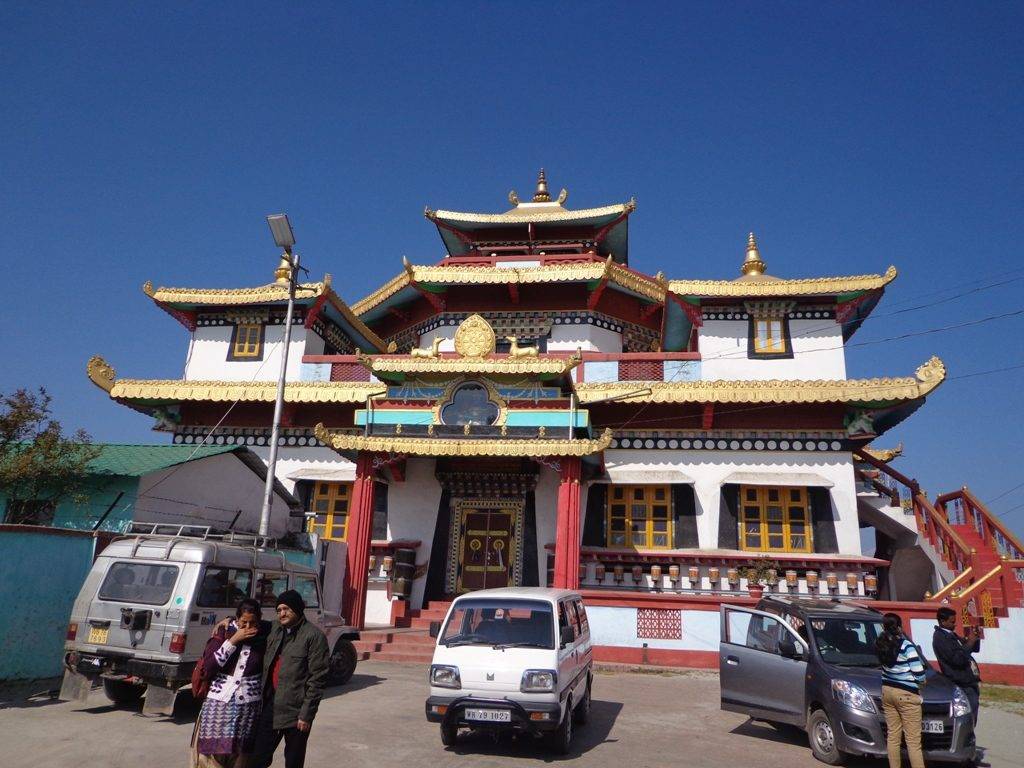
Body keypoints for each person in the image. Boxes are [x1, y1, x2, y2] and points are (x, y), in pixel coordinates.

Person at [250, 590, 329, 768]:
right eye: (278, 610)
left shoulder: (313, 637)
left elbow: (317, 680)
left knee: (293, 761)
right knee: (257, 758)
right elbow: (249, 622)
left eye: (286, 609)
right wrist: (227, 622)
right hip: (271, 704)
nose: (282, 614)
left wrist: (306, 715)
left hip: (296, 711)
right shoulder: (275, 628)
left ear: (297, 609)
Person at [191, 598, 266, 768]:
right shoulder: (223, 633)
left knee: (240, 754)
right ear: (236, 619)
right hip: (218, 703)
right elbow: (209, 667)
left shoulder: (264, 634)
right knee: (213, 753)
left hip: (248, 707)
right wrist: (233, 640)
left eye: (252, 622)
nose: (247, 627)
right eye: (243, 622)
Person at [875, 612, 927, 768]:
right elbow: (918, 673)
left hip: (887, 690)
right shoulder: (906, 646)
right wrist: (923, 680)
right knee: (913, 742)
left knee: (893, 737)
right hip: (907, 695)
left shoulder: (880, 644)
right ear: (898, 627)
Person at [932, 606, 982, 725]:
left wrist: (975, 637)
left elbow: (970, 648)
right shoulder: (940, 638)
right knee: (967, 719)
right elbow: (957, 659)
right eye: (952, 622)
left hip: (969, 681)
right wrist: (970, 642)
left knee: (973, 716)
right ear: (942, 621)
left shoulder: (952, 635)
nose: (955, 625)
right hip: (961, 683)